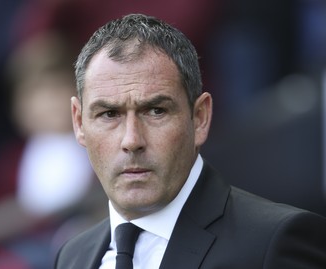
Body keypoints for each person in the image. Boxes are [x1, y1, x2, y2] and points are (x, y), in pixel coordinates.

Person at [55, 14, 326, 269]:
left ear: (200, 118)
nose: (131, 140)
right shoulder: (73, 256)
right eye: (109, 114)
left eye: (156, 111)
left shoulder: (275, 241)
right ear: (79, 123)